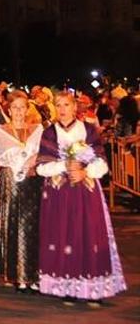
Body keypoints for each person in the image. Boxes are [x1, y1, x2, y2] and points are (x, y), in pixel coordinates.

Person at [36, 92, 127, 306]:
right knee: (64, 236)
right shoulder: (49, 133)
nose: (62, 109)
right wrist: (64, 166)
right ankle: (68, 287)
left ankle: (94, 288)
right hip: (59, 195)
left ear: (75, 107)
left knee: (89, 235)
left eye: (66, 104)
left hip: (86, 193)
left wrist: (86, 172)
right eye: (58, 105)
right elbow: (41, 167)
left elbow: (102, 162)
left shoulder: (88, 130)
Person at [0, 90, 43, 292]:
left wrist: (35, 164)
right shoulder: (0, 130)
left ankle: (32, 274)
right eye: (15, 108)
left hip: (32, 184)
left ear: (28, 109)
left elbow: (44, 155)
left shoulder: (37, 130)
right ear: (8, 110)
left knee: (31, 227)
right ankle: (15, 274)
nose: (18, 111)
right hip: (9, 183)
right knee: (12, 225)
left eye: (22, 107)